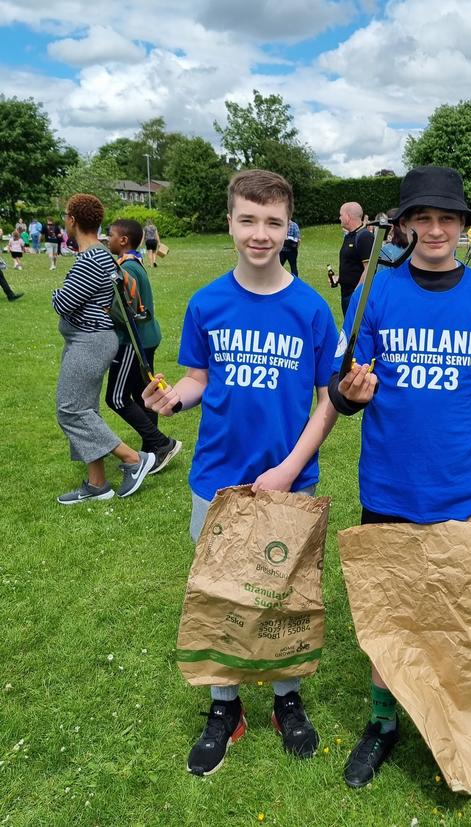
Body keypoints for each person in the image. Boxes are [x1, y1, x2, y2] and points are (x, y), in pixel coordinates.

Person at [329, 165, 471, 788]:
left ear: (465, 227)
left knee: (458, 613)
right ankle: (383, 724)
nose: (436, 229)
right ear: (407, 225)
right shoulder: (376, 292)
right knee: (387, 615)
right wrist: (353, 392)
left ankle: (460, 720)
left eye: (449, 218)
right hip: (389, 485)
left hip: (464, 494)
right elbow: (345, 382)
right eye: (424, 218)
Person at [142, 169, 339, 776]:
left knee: (281, 596)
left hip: (287, 483)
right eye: (248, 220)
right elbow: (200, 377)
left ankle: (286, 700)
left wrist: (289, 467)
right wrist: (175, 397)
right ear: (230, 223)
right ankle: (224, 708)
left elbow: (329, 398)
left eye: (273, 222)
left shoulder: (310, 307)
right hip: (216, 480)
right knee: (220, 594)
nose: (260, 234)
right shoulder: (207, 303)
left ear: (289, 227)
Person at [52, 194, 156, 505]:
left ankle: (133, 459)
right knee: (85, 409)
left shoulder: (91, 259)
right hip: (91, 339)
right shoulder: (98, 255)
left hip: (89, 340)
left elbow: (62, 302)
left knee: (70, 410)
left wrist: (56, 292)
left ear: (72, 220)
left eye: (66, 217)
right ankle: (97, 484)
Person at [104, 219, 182, 473]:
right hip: (146, 337)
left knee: (116, 398)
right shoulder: (136, 262)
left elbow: (126, 309)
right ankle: (152, 451)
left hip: (132, 341)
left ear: (123, 240)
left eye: (111, 235)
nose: (108, 239)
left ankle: (161, 444)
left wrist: (102, 311)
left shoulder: (126, 267)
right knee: (141, 393)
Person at [337, 202, 374, 317]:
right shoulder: (349, 236)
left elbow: (369, 269)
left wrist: (356, 294)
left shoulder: (364, 236)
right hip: (346, 293)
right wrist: (339, 278)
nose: (339, 218)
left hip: (356, 296)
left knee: (357, 333)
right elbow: (351, 263)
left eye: (341, 215)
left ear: (348, 217)